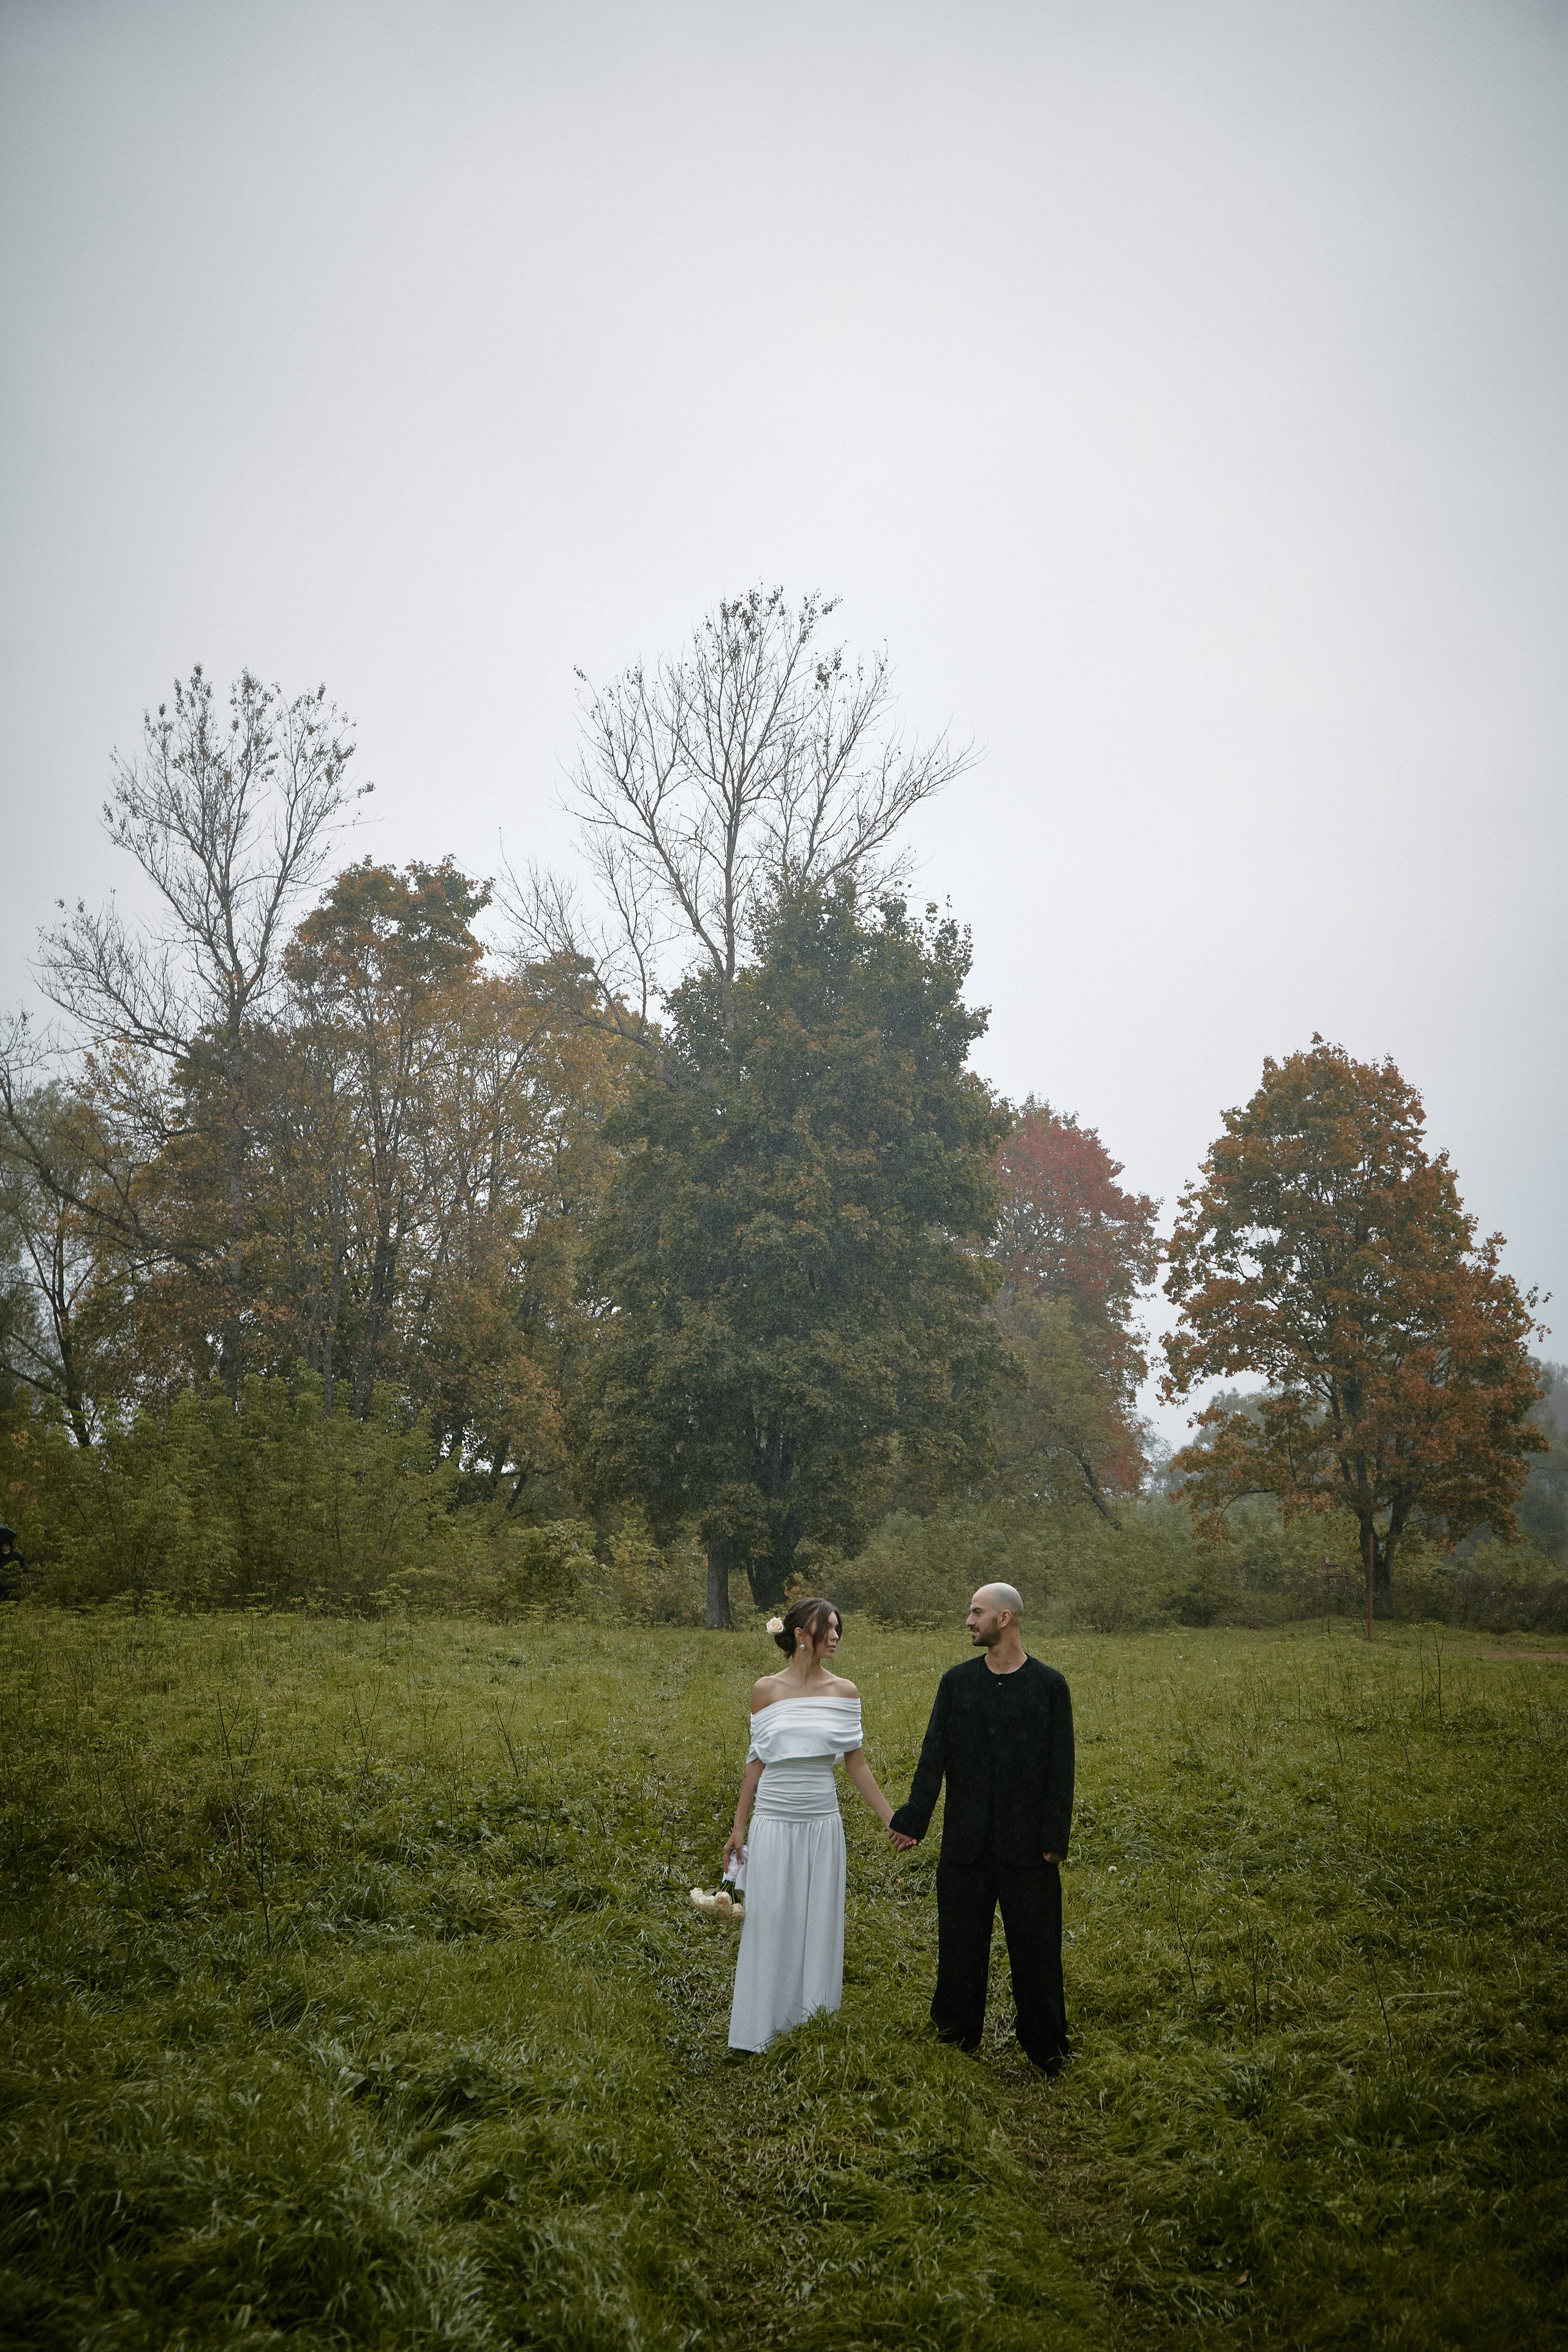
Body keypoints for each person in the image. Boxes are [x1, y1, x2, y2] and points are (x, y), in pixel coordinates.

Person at [888, 1581, 1074, 2074]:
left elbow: (1061, 1768)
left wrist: (1055, 1839)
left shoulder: (1049, 1686)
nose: (969, 1621)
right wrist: (914, 1819)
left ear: (1004, 1618)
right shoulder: (957, 1683)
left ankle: (1047, 2048)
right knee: (960, 1947)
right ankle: (955, 2036)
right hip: (964, 1844)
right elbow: (934, 1755)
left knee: (1037, 1952)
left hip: (1029, 1850)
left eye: (976, 1612)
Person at [723, 1595, 898, 2053]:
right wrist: (739, 1828)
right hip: (773, 1822)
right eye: (828, 1629)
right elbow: (755, 1762)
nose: (836, 1636)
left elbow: (857, 1764)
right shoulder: (765, 1690)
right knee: (769, 1919)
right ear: (801, 1635)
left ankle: (812, 2024)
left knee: (819, 1920)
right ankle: (758, 2029)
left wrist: (892, 1820)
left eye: (838, 1628)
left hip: (822, 1823)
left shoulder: (845, 1692)